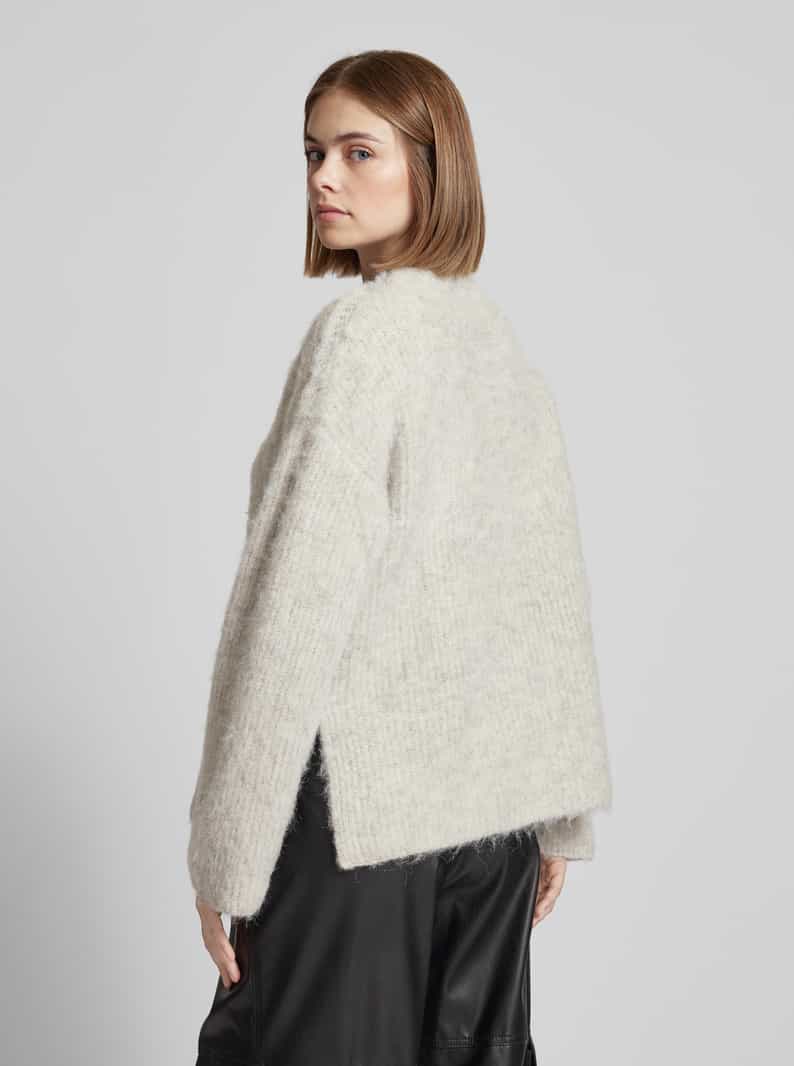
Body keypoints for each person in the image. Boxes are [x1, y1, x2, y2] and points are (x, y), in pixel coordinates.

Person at [188, 49, 612, 1066]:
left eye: (357, 151)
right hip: (491, 831)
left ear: (431, 165)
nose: (323, 179)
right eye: (312, 153)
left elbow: (289, 610)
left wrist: (226, 855)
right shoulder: (500, 351)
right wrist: (552, 817)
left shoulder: (359, 341)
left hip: (358, 826)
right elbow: (543, 598)